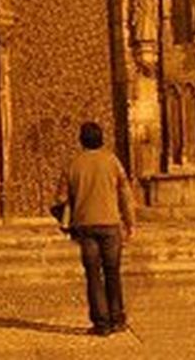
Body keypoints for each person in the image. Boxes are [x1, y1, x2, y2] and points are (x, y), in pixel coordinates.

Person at [53, 121, 135, 336]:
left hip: (85, 226)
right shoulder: (112, 161)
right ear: (102, 139)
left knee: (92, 274)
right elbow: (125, 194)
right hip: (110, 224)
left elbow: (60, 198)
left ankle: (101, 323)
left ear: (81, 140)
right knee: (112, 272)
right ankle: (117, 319)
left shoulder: (73, 164)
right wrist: (130, 222)